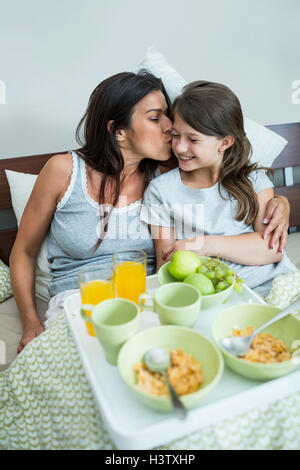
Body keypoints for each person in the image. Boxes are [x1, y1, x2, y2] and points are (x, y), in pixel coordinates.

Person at [9, 73, 290, 353]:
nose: (170, 128)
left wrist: (280, 202)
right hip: (81, 299)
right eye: (156, 118)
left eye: (168, 116)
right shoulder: (63, 170)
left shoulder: (167, 172)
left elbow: (222, 165)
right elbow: (24, 252)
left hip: (145, 298)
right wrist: (30, 322)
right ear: (118, 131)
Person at [140, 80, 296, 297]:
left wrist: (204, 245)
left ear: (225, 143)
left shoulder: (254, 181)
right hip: (210, 295)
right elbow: (164, 265)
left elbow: (272, 250)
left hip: (273, 284)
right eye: (175, 135)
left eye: (193, 139)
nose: (180, 147)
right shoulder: (160, 191)